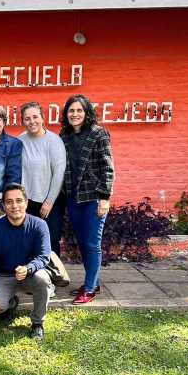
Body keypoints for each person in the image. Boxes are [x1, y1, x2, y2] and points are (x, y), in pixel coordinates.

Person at [60, 94, 115, 305]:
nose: (75, 114)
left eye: (79, 110)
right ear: (66, 114)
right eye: (71, 110)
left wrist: (105, 198)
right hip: (73, 198)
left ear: (86, 112)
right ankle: (94, 282)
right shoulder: (64, 135)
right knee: (82, 242)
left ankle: (90, 289)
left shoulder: (99, 133)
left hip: (94, 198)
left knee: (92, 243)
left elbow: (107, 167)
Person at [0, 184, 53, 341]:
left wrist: (28, 268)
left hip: (29, 273)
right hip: (4, 275)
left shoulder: (39, 225)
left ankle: (37, 323)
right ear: (3, 205)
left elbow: (43, 256)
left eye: (19, 200)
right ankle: (11, 303)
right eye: (9, 202)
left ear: (26, 203)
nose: (15, 206)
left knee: (42, 280)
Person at [19, 101, 67, 255]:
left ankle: (53, 270)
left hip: (50, 202)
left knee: (51, 242)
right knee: (29, 241)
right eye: (27, 118)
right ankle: (31, 270)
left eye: (35, 117)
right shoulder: (20, 140)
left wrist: (49, 201)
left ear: (42, 118)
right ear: (22, 121)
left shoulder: (54, 141)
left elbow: (59, 173)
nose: (32, 121)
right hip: (27, 201)